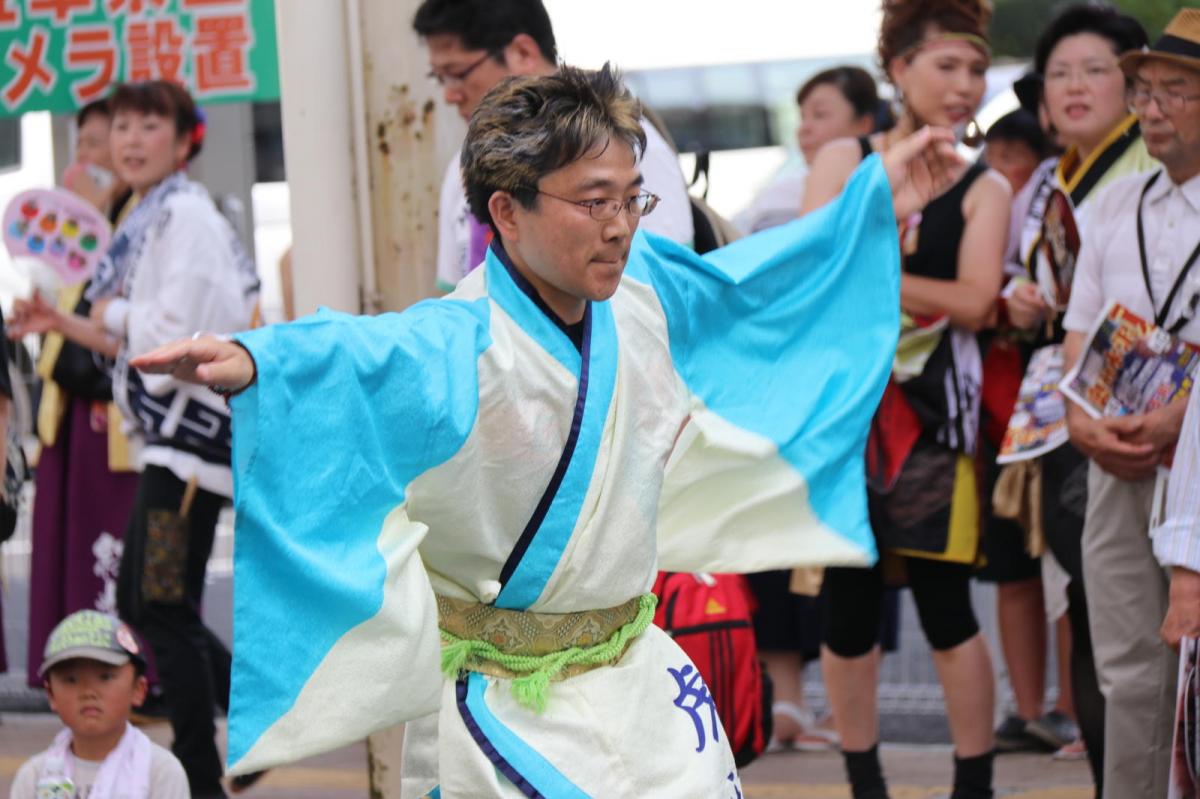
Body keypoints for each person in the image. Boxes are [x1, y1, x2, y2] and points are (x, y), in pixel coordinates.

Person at [131, 65, 965, 796]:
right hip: (498, 707)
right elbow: (356, 351)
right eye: (593, 201)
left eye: (631, 197)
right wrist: (255, 359)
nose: (620, 224)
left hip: (638, 680)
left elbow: (756, 287)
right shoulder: (456, 339)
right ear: (508, 210)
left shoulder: (647, 293)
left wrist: (869, 203)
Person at [11, 80, 260, 798]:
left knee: (157, 604)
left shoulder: (184, 215)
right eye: (120, 126)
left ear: (184, 141)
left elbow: (163, 330)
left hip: (190, 443)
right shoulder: (149, 218)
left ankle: (205, 769)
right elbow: (128, 332)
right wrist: (61, 323)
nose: (129, 139)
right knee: (154, 602)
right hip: (172, 444)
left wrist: (108, 310)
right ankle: (255, 723)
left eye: (149, 125)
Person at [801, 1, 1011, 796]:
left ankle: (974, 780)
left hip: (932, 425)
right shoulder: (843, 158)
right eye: (947, 67)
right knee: (847, 611)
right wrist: (885, 226)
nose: (965, 86)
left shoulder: (983, 183)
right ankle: (864, 779)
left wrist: (874, 262)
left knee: (946, 604)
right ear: (899, 71)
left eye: (976, 69)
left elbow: (976, 301)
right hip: (845, 418)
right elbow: (807, 273)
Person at [1000, 5, 1154, 790]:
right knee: (1097, 618)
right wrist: (1026, 301)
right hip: (1070, 412)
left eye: (1096, 69)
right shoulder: (1057, 176)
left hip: (1137, 418)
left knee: (1120, 623)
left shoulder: (1145, 171)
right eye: (1059, 73)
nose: (1074, 86)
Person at [1061, 9, 1200, 797]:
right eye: (1143, 90)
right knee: (1128, 672)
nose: (1150, 107)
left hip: (1197, 460)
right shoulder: (1111, 209)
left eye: (1174, 91)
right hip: (1118, 462)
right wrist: (1085, 427)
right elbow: (1076, 343)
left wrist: (1180, 419)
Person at [412, 0, 693, 293]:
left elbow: (671, 294)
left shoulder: (625, 148)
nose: (449, 95)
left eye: (457, 73)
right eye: (438, 78)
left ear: (523, 52)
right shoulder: (461, 168)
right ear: (504, 212)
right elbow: (454, 299)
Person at [15, 98, 141, 691]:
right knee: (75, 550)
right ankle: (79, 670)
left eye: (99, 141)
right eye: (86, 143)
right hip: (72, 416)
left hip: (115, 420)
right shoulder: (81, 232)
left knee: (115, 553)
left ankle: (133, 673)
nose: (88, 156)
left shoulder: (138, 223)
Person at [977, 106, 1080, 759]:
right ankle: (1031, 708)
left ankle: (1072, 708)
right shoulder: (998, 209)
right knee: (1013, 565)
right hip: (1004, 408)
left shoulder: (1065, 193)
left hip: (1059, 407)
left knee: (1066, 565)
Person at [9, 610, 189, 799]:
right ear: (51, 694)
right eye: (71, 679)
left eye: (105, 677)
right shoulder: (34, 776)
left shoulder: (160, 771)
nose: (88, 692)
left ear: (138, 689)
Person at [736, 66, 882, 235]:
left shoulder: (884, 191)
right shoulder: (786, 189)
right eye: (802, 117)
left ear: (864, 124)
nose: (803, 128)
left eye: (819, 114)